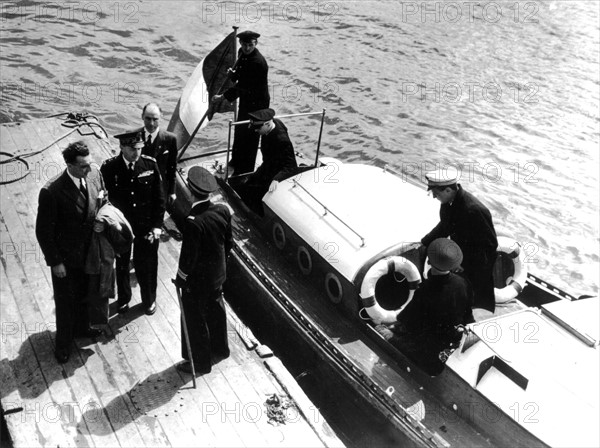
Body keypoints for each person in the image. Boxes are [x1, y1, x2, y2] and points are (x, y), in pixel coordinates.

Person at [36, 141, 107, 363]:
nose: (89, 169)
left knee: (86, 295)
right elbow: (43, 232)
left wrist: (102, 222)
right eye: (83, 166)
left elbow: (104, 201)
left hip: (90, 254)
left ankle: (83, 328)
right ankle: (63, 344)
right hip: (66, 259)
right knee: (65, 303)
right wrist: (55, 262)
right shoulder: (52, 191)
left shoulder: (94, 175)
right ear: (69, 165)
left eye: (90, 164)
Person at [375, 238, 474, 376]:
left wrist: (393, 332)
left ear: (429, 261)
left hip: (427, 349)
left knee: (389, 334)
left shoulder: (426, 290)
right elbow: (468, 314)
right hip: (452, 339)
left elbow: (408, 323)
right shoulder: (462, 283)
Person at [174, 166, 232, 375]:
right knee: (217, 311)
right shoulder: (223, 210)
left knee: (195, 320)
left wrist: (181, 279)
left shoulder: (193, 222)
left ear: (190, 191)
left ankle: (200, 364)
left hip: (197, 282)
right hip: (217, 276)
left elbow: (188, 258)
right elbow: (228, 244)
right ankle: (221, 349)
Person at [101, 130, 166, 316]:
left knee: (147, 265)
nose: (136, 153)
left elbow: (159, 199)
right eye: (131, 149)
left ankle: (149, 300)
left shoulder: (150, 164)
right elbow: (104, 199)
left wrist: (157, 226)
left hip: (146, 228)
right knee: (121, 265)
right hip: (121, 228)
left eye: (139, 148)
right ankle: (123, 300)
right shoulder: (109, 168)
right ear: (121, 147)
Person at [420, 167, 498, 314]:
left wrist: (463, 263)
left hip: (477, 263)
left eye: (436, 194)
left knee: (466, 297)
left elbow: (490, 245)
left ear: (448, 190)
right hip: (460, 258)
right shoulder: (448, 203)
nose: (434, 197)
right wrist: (424, 242)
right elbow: (445, 226)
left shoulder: (474, 210)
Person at [212, 30, 270, 175]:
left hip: (258, 104)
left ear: (256, 44)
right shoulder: (242, 53)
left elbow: (242, 86)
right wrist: (233, 74)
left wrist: (222, 97)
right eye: (244, 44)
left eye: (250, 45)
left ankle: (246, 169)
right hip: (246, 99)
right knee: (240, 130)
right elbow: (240, 74)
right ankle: (236, 160)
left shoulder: (258, 63)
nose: (247, 48)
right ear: (240, 44)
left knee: (251, 135)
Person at [234, 108, 298, 215]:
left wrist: (277, 179)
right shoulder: (274, 123)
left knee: (257, 195)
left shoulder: (282, 140)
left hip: (276, 173)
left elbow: (291, 166)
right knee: (247, 186)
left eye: (258, 128)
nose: (255, 130)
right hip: (267, 166)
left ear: (267, 124)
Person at [139, 103, 178, 206]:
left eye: (155, 119)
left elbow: (172, 167)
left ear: (161, 118)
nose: (151, 123)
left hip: (160, 189)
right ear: (142, 116)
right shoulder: (133, 136)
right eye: (148, 119)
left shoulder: (170, 139)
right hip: (138, 188)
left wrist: (172, 191)